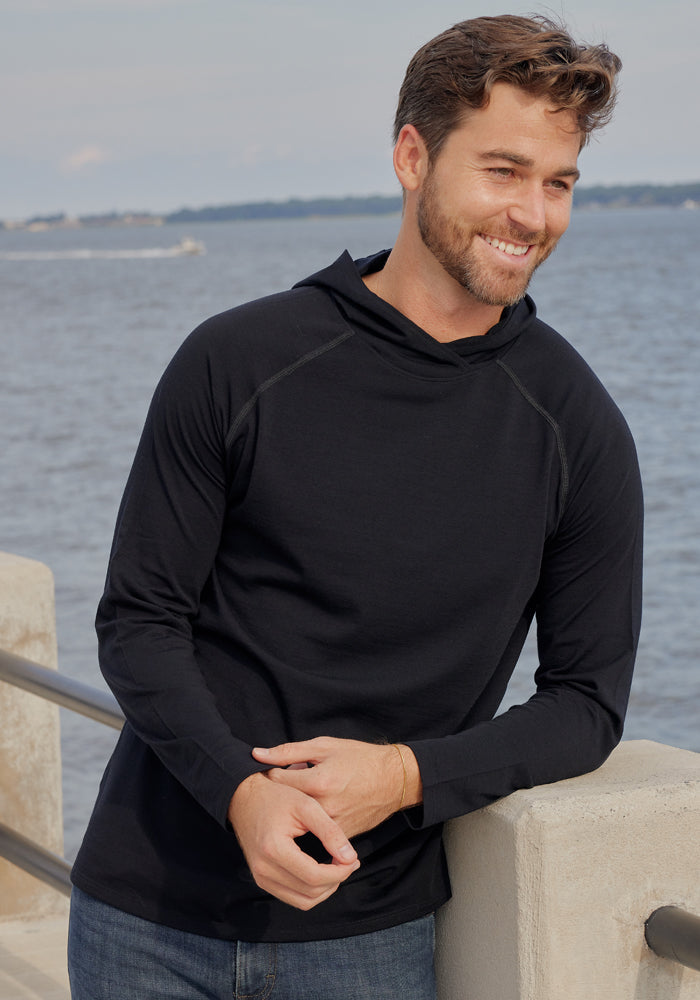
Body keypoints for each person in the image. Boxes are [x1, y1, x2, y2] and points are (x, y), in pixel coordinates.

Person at [68, 14, 643, 1000]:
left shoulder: (575, 428)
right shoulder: (237, 359)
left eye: (558, 183)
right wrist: (241, 794)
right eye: (502, 171)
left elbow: (586, 703)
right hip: (147, 916)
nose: (533, 214)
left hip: (369, 941)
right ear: (411, 157)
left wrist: (407, 775)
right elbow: (138, 621)